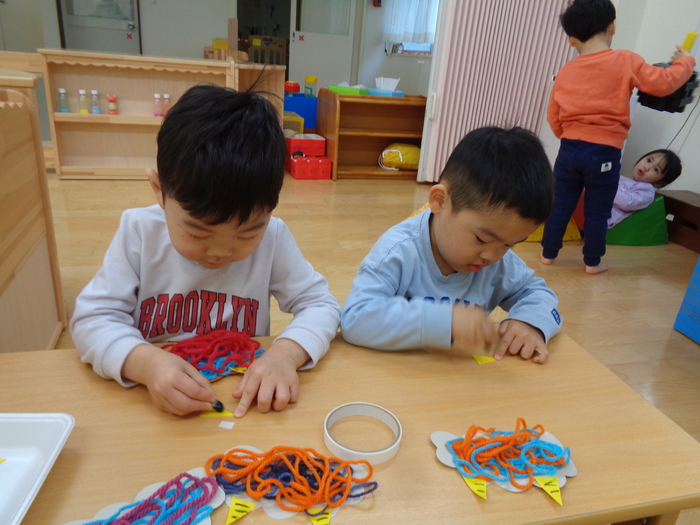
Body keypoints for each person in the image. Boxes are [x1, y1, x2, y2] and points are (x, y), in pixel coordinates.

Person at [70, 84, 340, 417]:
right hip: (153, 400)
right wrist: (145, 364)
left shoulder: (273, 236)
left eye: (248, 232)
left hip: (242, 402)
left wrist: (284, 355)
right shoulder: (139, 232)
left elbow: (320, 305)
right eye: (197, 231)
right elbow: (93, 319)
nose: (220, 251)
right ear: (159, 190)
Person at [340, 127, 562, 364]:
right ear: (440, 201)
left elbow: (537, 293)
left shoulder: (498, 261)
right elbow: (355, 319)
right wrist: (443, 321)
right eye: (481, 239)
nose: (491, 256)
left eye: (509, 245)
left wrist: (530, 322)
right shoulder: (398, 252)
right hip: (397, 374)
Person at [540, 0, 695, 274]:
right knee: (598, 209)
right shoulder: (625, 59)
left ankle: (548, 254)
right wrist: (685, 61)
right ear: (612, 26)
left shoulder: (567, 70)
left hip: (569, 149)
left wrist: (569, 136)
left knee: (560, 203)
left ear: (571, 39)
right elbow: (663, 83)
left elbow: (554, 114)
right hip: (604, 153)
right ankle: (592, 262)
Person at [608, 149, 682, 228]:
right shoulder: (620, 178)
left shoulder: (647, 190)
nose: (647, 167)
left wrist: (605, 189)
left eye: (655, 169)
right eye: (649, 160)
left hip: (604, 219)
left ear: (660, 183)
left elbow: (628, 203)